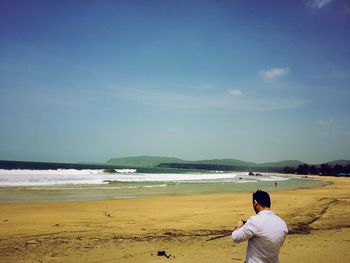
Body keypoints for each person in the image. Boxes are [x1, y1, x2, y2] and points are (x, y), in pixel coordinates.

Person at [232, 190, 288, 263]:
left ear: (255, 202)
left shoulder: (255, 221)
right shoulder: (282, 224)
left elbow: (236, 237)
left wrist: (238, 226)